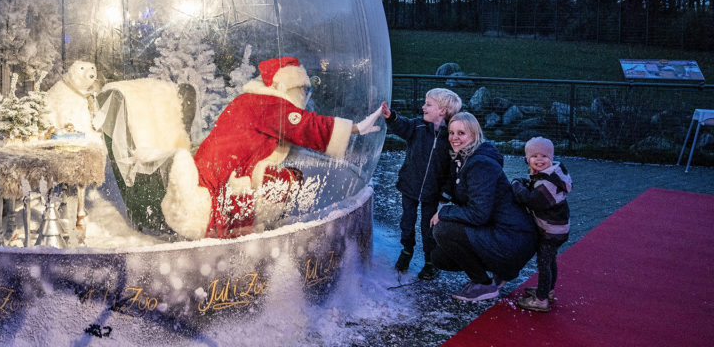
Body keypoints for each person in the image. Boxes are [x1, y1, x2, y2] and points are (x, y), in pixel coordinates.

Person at [161, 56, 383, 239]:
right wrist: (355, 128)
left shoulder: (252, 100)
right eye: (300, 90)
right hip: (218, 185)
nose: (303, 96)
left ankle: (245, 232)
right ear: (287, 87)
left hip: (212, 177)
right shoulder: (268, 104)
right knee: (284, 180)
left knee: (281, 177)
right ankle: (247, 240)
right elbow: (305, 126)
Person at [430, 112, 537, 302]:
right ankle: (500, 272)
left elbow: (478, 214)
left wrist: (444, 212)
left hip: (512, 239)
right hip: (500, 233)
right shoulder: (465, 158)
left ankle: (484, 284)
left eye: (461, 133)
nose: (454, 138)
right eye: (452, 133)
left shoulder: (480, 164)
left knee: (443, 229)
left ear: (474, 135)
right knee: (439, 257)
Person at [381, 88, 462, 280]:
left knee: (429, 227)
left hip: (432, 192)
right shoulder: (418, 126)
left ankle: (430, 261)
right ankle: (407, 250)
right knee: (407, 222)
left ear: (442, 111)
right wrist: (391, 117)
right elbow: (402, 126)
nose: (423, 107)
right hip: (410, 185)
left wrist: (446, 192)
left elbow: (452, 169)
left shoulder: (451, 138)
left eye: (428, 104)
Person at [511, 136, 571, 313]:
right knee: (550, 260)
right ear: (527, 159)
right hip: (558, 228)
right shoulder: (550, 175)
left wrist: (516, 184)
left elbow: (531, 200)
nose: (539, 160)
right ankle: (548, 290)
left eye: (544, 156)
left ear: (551, 158)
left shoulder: (549, 182)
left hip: (552, 231)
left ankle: (541, 300)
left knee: (544, 263)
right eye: (534, 156)